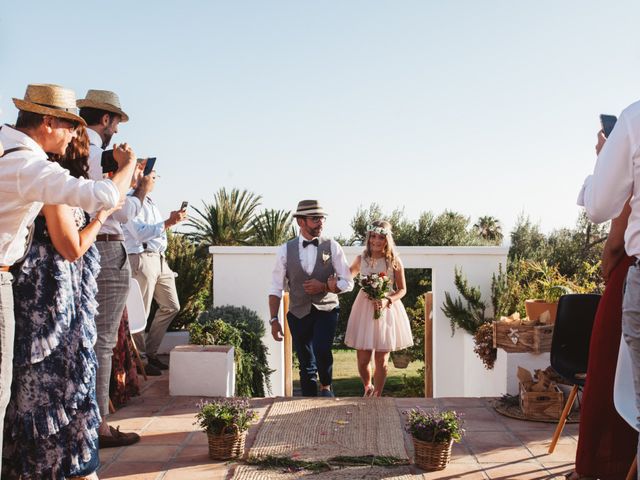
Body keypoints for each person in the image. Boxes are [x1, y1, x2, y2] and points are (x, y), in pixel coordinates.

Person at [0, 83, 136, 473]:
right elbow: (102, 201)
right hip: (44, 302)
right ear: (47, 121)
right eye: (68, 126)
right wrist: (126, 170)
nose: (74, 135)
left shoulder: (20, 155)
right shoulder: (33, 168)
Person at [78, 89, 153, 447]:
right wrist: (139, 189)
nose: (117, 131)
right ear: (105, 119)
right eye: (116, 123)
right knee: (102, 342)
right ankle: (99, 426)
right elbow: (121, 212)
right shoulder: (102, 155)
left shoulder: (73, 153)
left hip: (82, 250)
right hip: (107, 249)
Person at [579, 107, 640, 480]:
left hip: (627, 274)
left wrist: (604, 163)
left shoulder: (635, 119)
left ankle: (598, 466)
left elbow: (606, 215)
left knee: (607, 373)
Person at [269, 200, 353, 397]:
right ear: (300, 222)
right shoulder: (284, 250)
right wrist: (274, 319)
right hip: (298, 312)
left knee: (322, 349)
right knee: (306, 362)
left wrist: (325, 286)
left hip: (327, 309)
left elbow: (348, 282)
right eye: (315, 218)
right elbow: (275, 287)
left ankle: (326, 386)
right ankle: (307, 403)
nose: (320, 222)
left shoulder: (332, 246)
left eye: (322, 218)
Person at [123, 172, 187, 375]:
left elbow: (154, 230)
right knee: (140, 311)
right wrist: (168, 223)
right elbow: (140, 232)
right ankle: (140, 359)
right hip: (142, 258)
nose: (155, 179)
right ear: (141, 177)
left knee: (171, 306)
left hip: (160, 259)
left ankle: (149, 353)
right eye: (152, 175)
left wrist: (169, 222)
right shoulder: (130, 200)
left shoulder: (150, 201)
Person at [343, 220, 413, 397]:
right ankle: (367, 387)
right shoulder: (361, 259)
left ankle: (378, 394)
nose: (376, 241)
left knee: (381, 359)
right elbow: (346, 277)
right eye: (373, 236)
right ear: (369, 237)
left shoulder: (394, 261)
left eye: (381, 237)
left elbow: (402, 289)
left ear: (387, 240)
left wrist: (388, 300)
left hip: (386, 311)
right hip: (364, 309)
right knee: (363, 358)